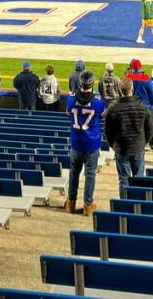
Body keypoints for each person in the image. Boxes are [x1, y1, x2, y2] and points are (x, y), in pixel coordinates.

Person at [65, 70, 105, 216]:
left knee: (74, 172)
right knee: (90, 174)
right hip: (91, 142)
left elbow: (69, 112)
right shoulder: (98, 102)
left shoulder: (70, 100)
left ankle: (71, 202)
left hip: (76, 141)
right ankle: (87, 205)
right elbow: (101, 115)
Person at [105, 77, 153, 198]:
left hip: (122, 149)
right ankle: (138, 204)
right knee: (139, 179)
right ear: (132, 89)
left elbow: (107, 132)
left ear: (120, 91)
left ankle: (125, 206)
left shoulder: (113, 108)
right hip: (136, 148)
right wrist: (143, 142)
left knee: (123, 180)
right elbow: (150, 129)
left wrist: (114, 145)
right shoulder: (141, 106)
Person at [125, 58, 153, 149]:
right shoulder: (145, 78)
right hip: (146, 106)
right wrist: (151, 104)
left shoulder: (129, 78)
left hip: (134, 106)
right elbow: (152, 93)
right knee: (150, 126)